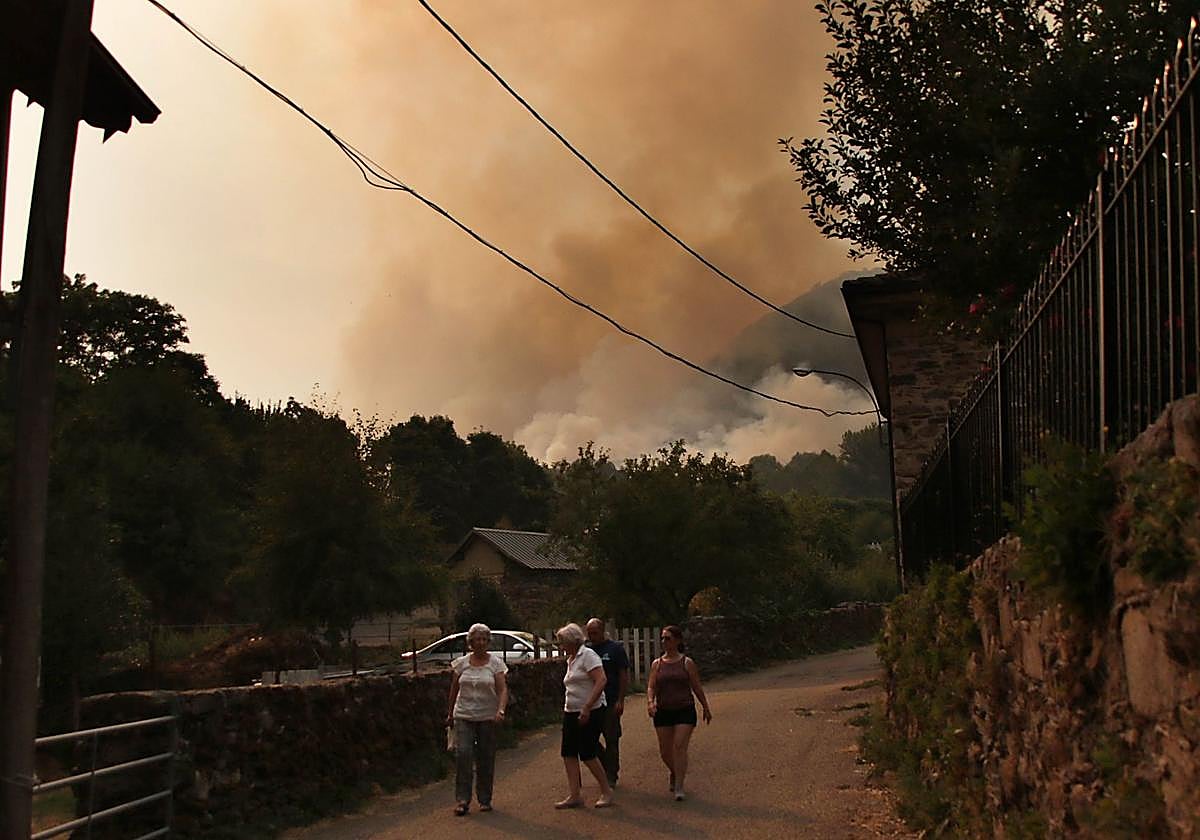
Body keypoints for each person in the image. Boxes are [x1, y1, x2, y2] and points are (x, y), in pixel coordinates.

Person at [445, 623, 509, 816]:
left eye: (483, 639)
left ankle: (484, 799)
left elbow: (502, 689)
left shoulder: (495, 664)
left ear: (488, 642)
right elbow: (454, 690)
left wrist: (501, 710)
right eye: (476, 640)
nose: (480, 643)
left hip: (487, 716)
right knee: (463, 755)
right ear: (470, 642)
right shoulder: (461, 663)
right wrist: (449, 714)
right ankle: (463, 800)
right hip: (463, 714)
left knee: (485, 757)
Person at [646, 624, 712, 801]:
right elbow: (651, 686)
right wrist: (650, 702)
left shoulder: (687, 663)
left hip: (684, 709)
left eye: (668, 638)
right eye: (662, 638)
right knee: (665, 751)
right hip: (663, 711)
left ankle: (679, 786)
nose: (664, 642)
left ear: (677, 641)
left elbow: (696, 686)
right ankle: (675, 771)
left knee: (679, 746)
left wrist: (705, 706)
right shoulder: (657, 664)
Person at [553, 622, 614, 809]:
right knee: (568, 752)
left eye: (563, 642)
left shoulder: (587, 655)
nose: (561, 647)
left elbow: (601, 680)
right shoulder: (571, 659)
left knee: (588, 753)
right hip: (571, 710)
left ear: (573, 641)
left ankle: (606, 791)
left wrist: (587, 707)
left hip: (591, 710)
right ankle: (575, 795)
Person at [585, 618, 629, 787]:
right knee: (589, 738)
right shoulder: (588, 651)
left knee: (611, 738)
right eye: (589, 633)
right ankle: (606, 766)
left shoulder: (615, 649)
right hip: (593, 702)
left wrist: (620, 699)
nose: (592, 636)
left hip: (610, 700)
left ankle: (611, 775)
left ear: (602, 631)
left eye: (595, 633)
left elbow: (623, 675)